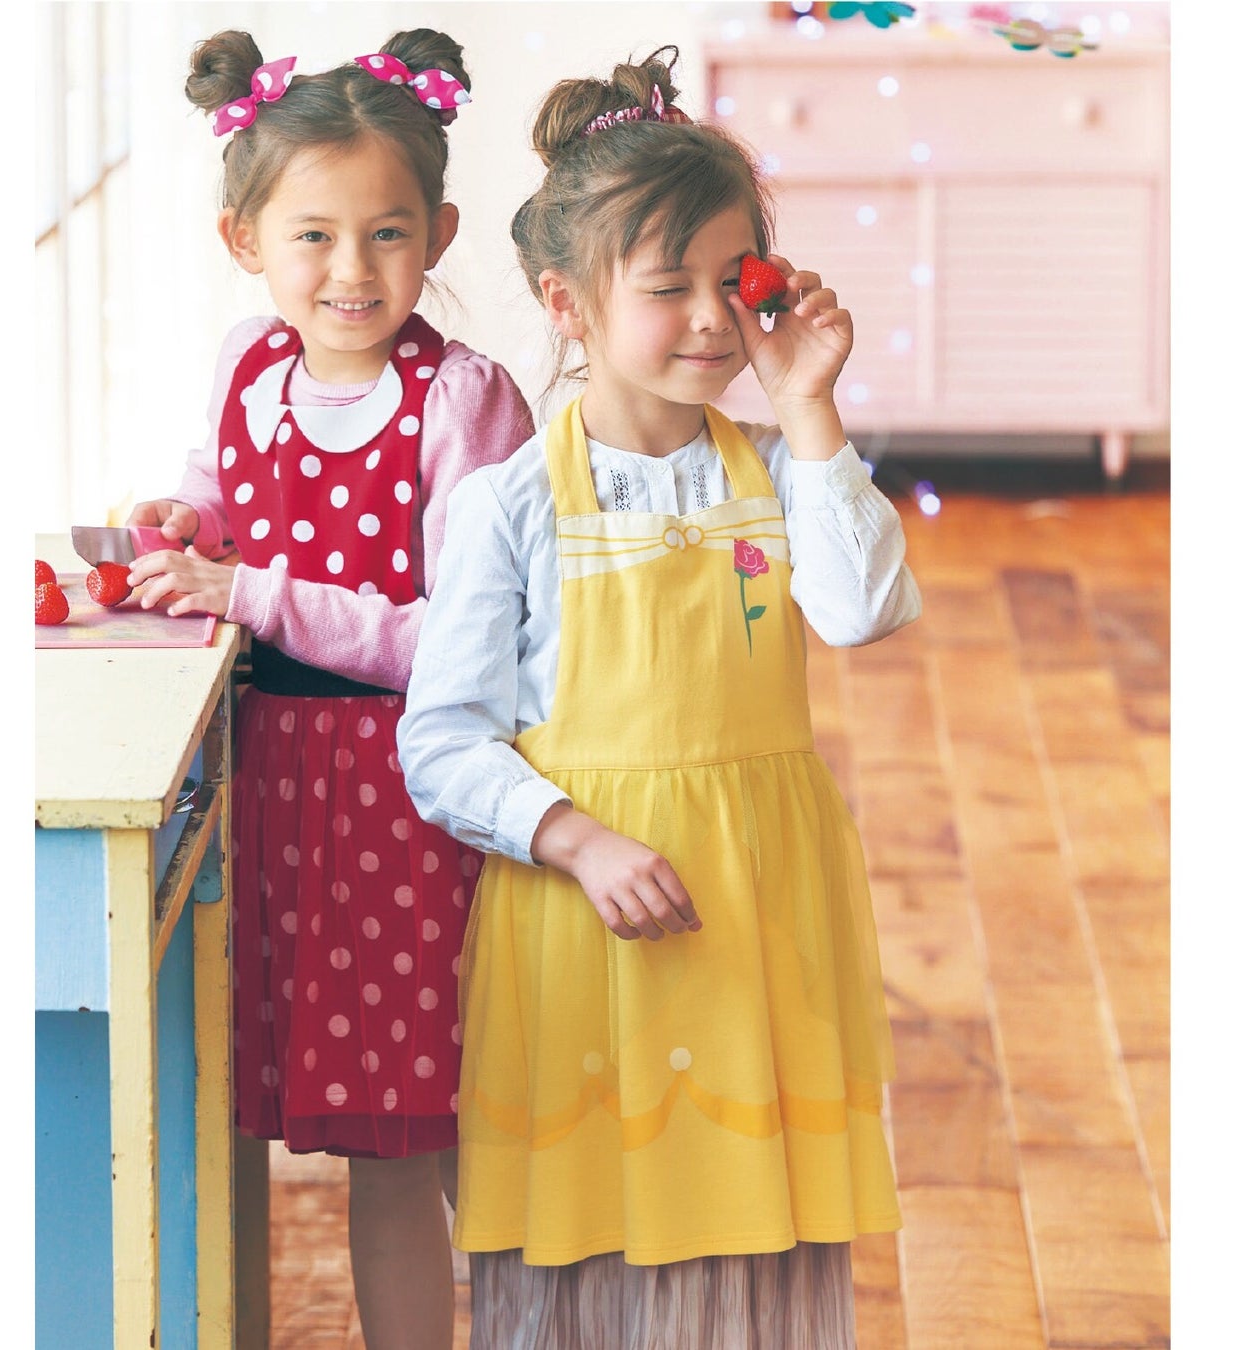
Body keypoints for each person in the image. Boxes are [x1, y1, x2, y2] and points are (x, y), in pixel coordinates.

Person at [397, 45, 923, 1349]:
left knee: (752, 1233)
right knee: (599, 1234)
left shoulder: (782, 469)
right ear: (566, 302)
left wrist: (810, 405)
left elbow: (862, 608)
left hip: (756, 914)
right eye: (665, 286)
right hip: (586, 926)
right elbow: (442, 740)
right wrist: (576, 838)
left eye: (731, 280)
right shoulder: (511, 503)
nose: (708, 319)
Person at [125, 28, 534, 1350]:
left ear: (440, 232)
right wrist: (184, 522)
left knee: (458, 1132)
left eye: (387, 234)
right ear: (245, 238)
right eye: (314, 236)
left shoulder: (462, 401)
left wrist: (245, 590)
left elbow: (458, 643)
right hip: (281, 799)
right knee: (378, 1149)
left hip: (417, 804)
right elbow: (222, 488)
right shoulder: (251, 363)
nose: (352, 270)